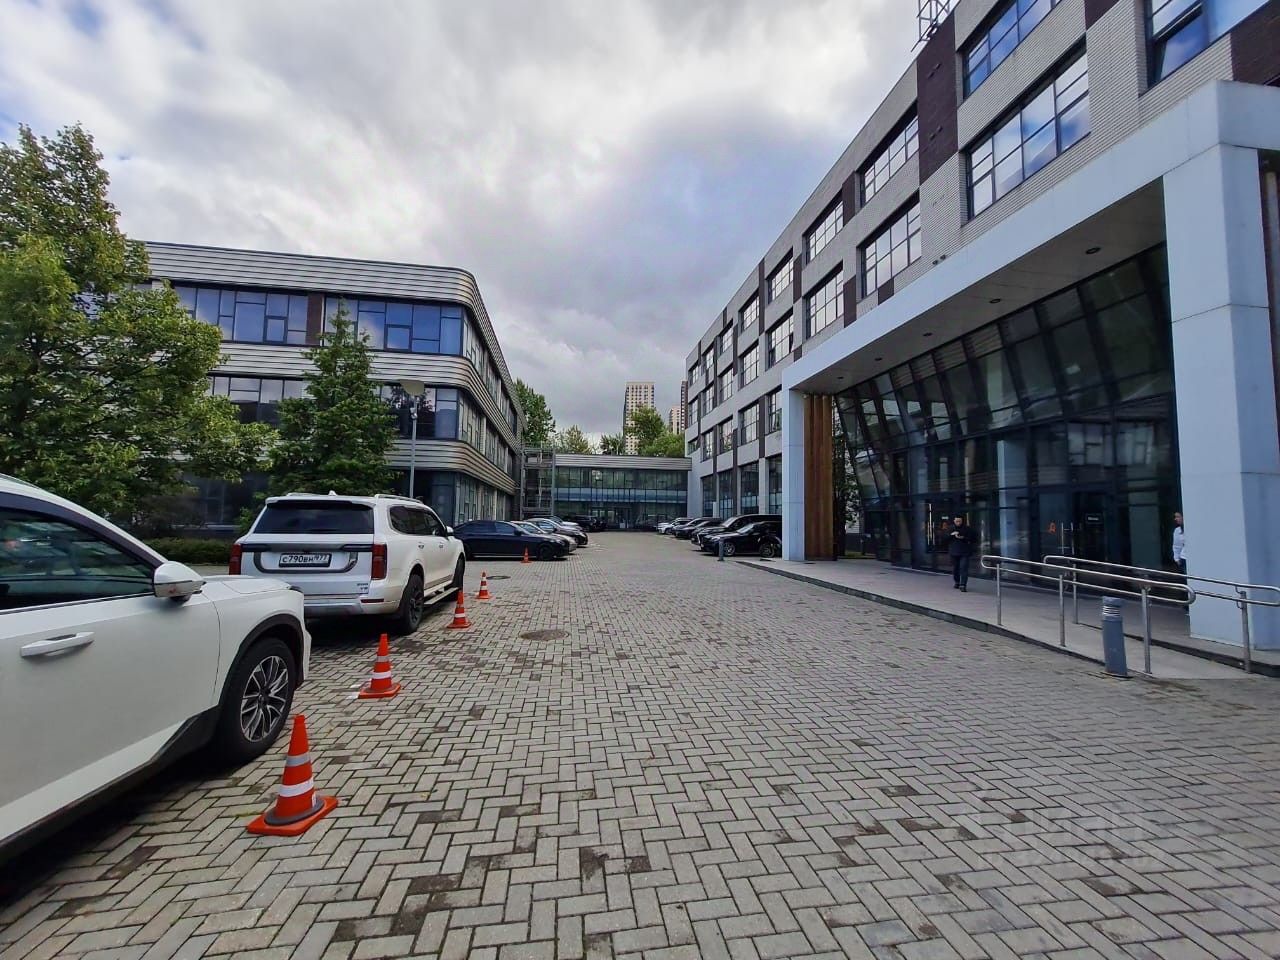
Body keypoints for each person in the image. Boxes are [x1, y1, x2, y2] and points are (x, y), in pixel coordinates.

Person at [948, 515, 978, 592]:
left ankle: (963, 585)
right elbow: (944, 539)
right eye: (956, 521)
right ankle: (957, 582)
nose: (958, 523)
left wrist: (963, 538)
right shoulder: (950, 528)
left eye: (959, 521)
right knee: (956, 568)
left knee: (963, 568)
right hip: (954, 552)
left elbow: (974, 539)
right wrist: (951, 535)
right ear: (954, 521)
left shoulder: (967, 529)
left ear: (962, 521)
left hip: (965, 552)